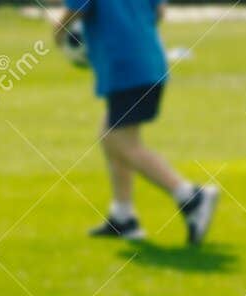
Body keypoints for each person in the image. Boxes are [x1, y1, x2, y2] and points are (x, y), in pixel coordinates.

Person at [53, 0, 218, 245]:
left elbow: (73, 13)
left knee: (119, 142)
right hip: (148, 62)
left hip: (125, 68)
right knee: (111, 136)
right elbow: (159, 11)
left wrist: (57, 34)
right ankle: (123, 217)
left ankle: (190, 196)